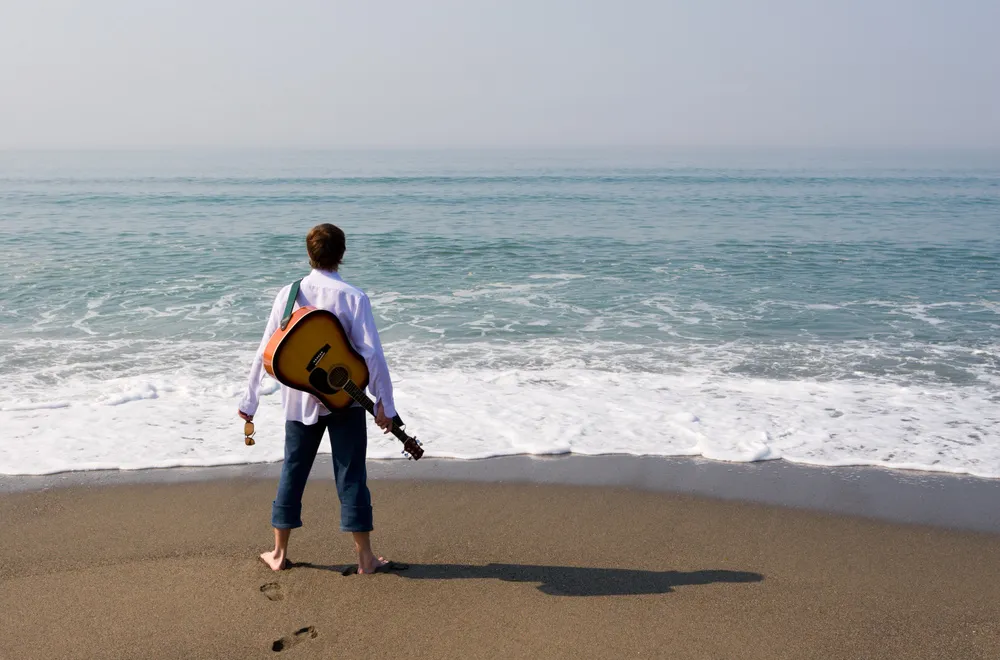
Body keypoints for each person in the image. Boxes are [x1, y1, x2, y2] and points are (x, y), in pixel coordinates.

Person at [238, 223, 397, 574]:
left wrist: (249, 401)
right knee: (352, 474)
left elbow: (265, 351)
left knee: (292, 471)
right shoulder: (353, 297)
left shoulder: (289, 294)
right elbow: (372, 355)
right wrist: (384, 405)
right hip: (346, 400)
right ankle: (365, 558)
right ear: (341, 255)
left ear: (309, 254)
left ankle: (278, 554)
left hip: (299, 401)